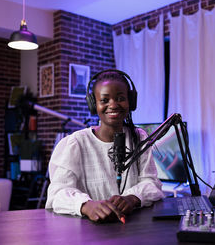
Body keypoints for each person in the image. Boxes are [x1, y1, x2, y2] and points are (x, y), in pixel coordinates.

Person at [45, 69, 164, 222]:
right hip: (86, 233)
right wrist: (86, 205)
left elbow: (151, 183)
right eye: (104, 100)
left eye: (120, 98)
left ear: (131, 102)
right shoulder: (75, 144)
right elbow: (58, 193)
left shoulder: (139, 138)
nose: (113, 105)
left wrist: (132, 198)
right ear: (94, 105)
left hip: (131, 228)